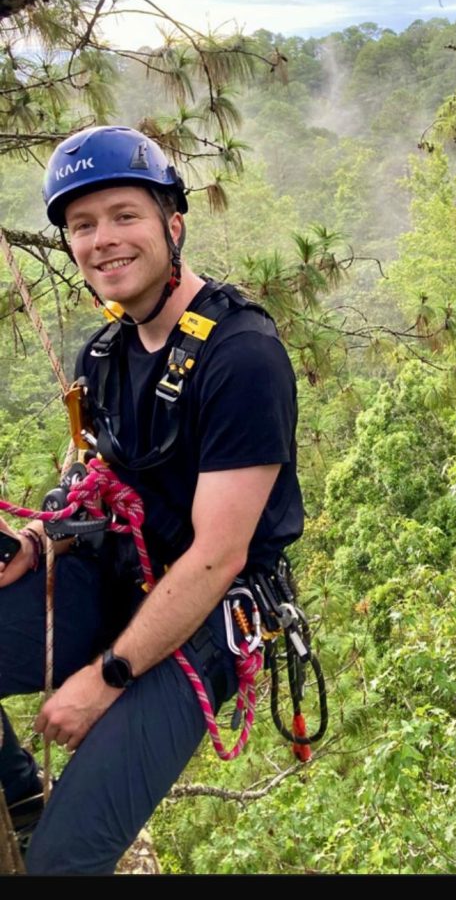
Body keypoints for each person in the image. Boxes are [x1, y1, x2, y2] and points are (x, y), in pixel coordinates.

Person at [0, 125, 304, 873]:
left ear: (172, 224)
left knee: (67, 862)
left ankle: (50, 837)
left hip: (203, 616)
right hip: (118, 578)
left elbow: (216, 554)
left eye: (124, 216)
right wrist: (40, 542)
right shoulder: (104, 354)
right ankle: (21, 800)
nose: (103, 240)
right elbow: (92, 484)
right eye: (82, 225)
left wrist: (101, 682)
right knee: (49, 834)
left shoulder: (242, 359)